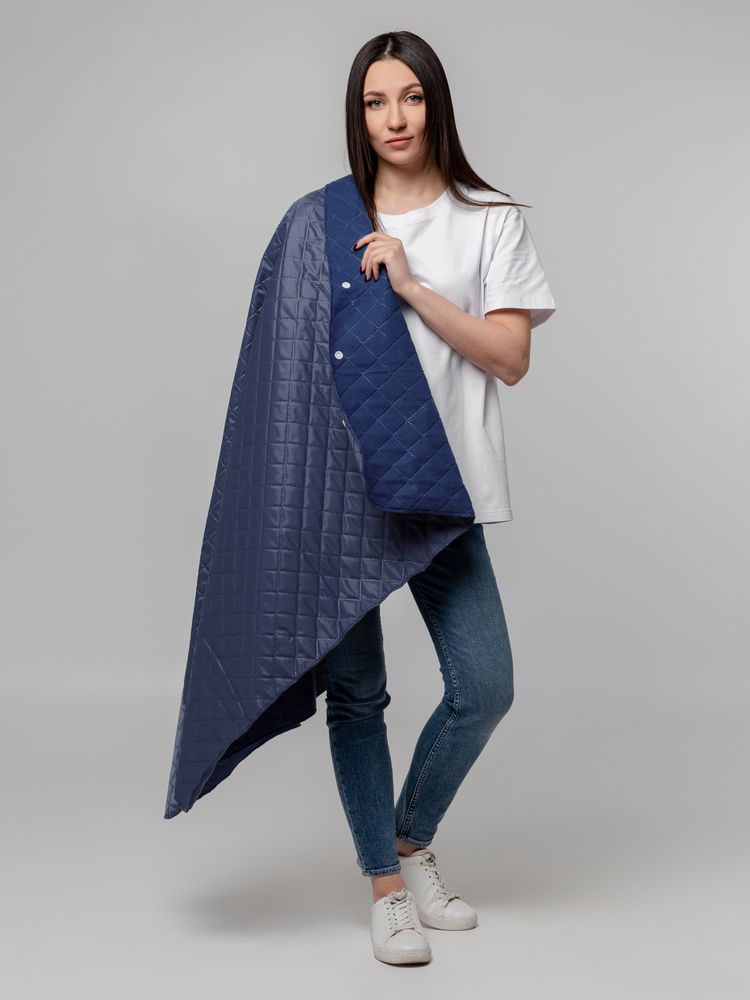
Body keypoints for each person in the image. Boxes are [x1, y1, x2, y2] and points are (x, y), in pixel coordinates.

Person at [321, 30, 556, 966]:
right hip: (346, 490)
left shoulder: (487, 217)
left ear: (436, 103)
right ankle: (386, 884)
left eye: (410, 97)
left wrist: (413, 286)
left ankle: (411, 841)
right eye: (375, 101)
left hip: (441, 484)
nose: (394, 118)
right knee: (357, 695)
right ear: (358, 113)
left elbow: (511, 357)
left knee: (484, 686)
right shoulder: (328, 220)